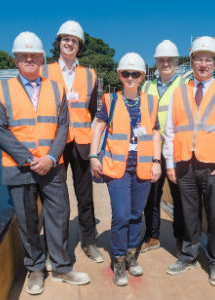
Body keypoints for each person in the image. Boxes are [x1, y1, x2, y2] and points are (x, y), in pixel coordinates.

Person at [0, 31, 90, 295]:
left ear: (42, 57)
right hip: (19, 168)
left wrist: (49, 158)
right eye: (24, 56)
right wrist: (28, 158)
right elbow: (0, 131)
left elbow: (62, 126)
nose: (29, 59)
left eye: (34, 55)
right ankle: (35, 268)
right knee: (28, 220)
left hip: (52, 166)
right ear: (15, 60)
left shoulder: (56, 88)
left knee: (58, 216)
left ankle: (60, 266)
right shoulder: (1, 89)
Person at [163, 36, 215, 286]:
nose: (202, 64)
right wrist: (169, 163)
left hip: (213, 166)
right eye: (198, 59)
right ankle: (188, 255)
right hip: (185, 163)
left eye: (208, 59)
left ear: (214, 63)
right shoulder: (178, 93)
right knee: (188, 213)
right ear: (191, 62)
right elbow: (170, 131)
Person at [89, 53, 162, 286]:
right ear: (120, 75)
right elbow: (99, 125)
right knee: (121, 214)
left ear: (142, 76)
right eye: (126, 73)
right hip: (116, 168)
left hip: (142, 167)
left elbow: (155, 132)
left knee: (135, 214)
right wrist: (92, 156)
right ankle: (119, 259)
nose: (130, 77)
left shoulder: (151, 101)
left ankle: (131, 254)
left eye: (135, 74)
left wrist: (157, 161)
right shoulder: (110, 100)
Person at [41, 20, 103, 263]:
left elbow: (91, 108)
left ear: (79, 46)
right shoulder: (45, 72)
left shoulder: (89, 74)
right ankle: (56, 247)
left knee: (85, 196)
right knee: (56, 199)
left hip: (81, 142)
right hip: (56, 142)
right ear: (58, 43)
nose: (69, 43)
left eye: (74, 41)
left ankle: (89, 242)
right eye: (65, 39)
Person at [140, 40, 187, 254]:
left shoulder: (184, 85)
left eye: (169, 60)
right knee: (151, 195)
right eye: (161, 60)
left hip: (176, 149)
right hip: (152, 149)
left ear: (176, 62)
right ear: (156, 63)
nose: (165, 63)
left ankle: (180, 238)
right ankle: (152, 236)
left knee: (179, 196)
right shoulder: (147, 86)